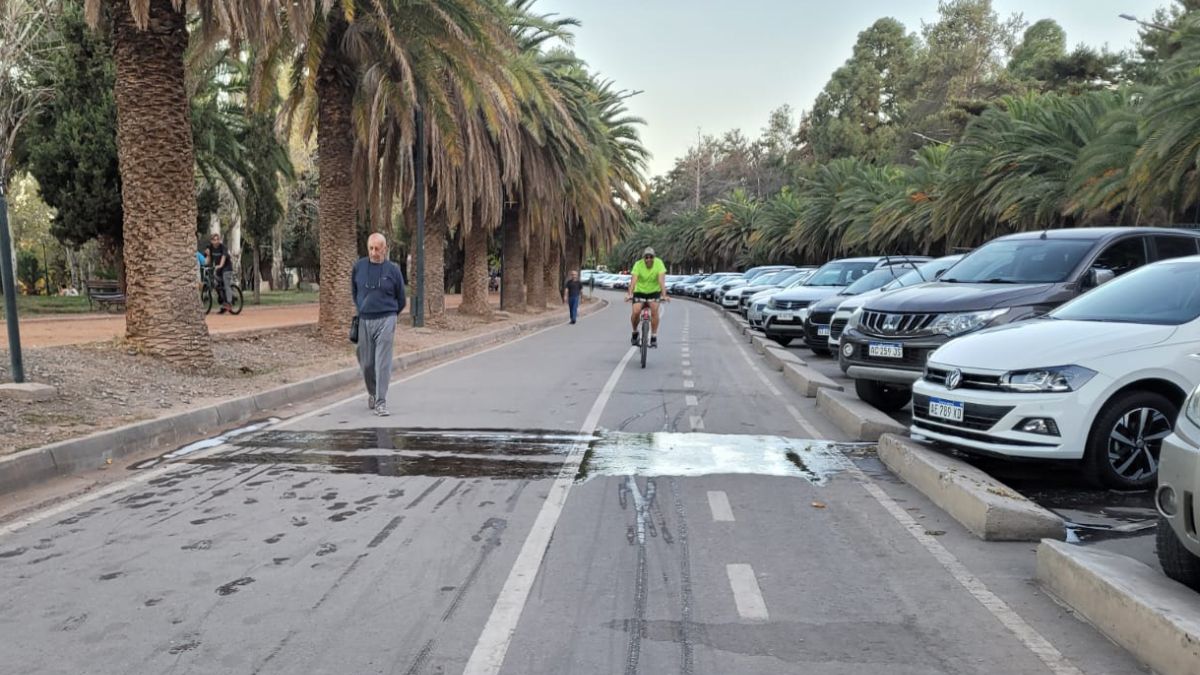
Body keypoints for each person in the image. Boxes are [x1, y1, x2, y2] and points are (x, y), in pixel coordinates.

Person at [352, 233, 407, 417]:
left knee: (382, 362)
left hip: (387, 318)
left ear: (385, 249)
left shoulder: (393, 270)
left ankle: (381, 402)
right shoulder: (359, 267)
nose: (374, 252)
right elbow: (355, 291)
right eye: (371, 248)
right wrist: (362, 308)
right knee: (367, 363)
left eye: (377, 248)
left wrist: (391, 315)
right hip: (365, 319)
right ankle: (373, 393)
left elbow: (401, 299)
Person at [625, 247, 667, 347]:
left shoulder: (659, 263)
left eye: (651, 257)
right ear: (643, 258)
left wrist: (664, 295)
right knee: (636, 312)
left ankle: (653, 336)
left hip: (654, 292)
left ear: (654, 257)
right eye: (646, 257)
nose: (648, 259)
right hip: (639, 292)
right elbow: (633, 281)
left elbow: (661, 281)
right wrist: (630, 294)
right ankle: (635, 332)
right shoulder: (638, 264)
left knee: (654, 310)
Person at [205, 233, 234, 314]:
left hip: (227, 268)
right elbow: (208, 261)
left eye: (218, 239)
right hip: (219, 268)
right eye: (214, 240)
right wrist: (208, 255)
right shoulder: (210, 248)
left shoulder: (223, 247)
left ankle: (229, 303)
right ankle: (223, 304)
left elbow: (224, 257)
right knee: (217, 285)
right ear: (211, 241)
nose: (216, 241)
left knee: (226, 283)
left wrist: (220, 265)